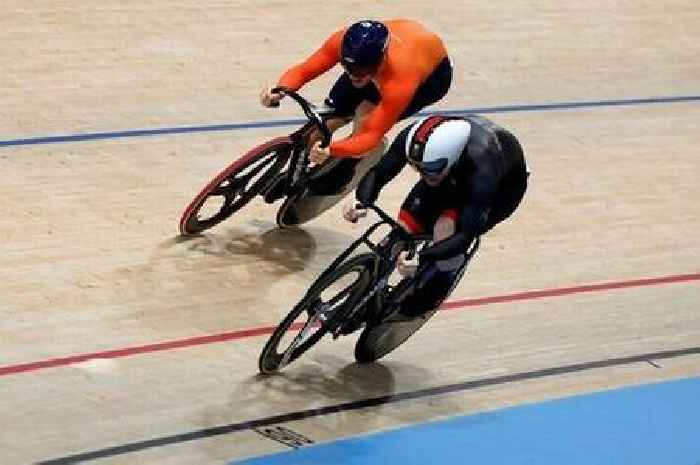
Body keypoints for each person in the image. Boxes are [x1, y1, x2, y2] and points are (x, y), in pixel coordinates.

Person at [344, 114, 529, 317]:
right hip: (452, 174)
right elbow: (378, 173)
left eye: (430, 169)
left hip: (500, 192)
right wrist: (361, 200)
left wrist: (422, 257)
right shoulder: (415, 138)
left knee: (445, 228)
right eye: (417, 167)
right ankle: (363, 295)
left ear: (452, 157)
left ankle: (438, 285)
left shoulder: (482, 168)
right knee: (403, 230)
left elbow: (464, 236)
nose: (423, 174)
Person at [260, 19, 453, 202]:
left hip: (431, 79)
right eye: (348, 67)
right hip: (388, 58)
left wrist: (332, 149)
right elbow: (304, 70)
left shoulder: (402, 78)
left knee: (365, 118)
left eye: (360, 70)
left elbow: (370, 136)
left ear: (381, 58)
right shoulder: (343, 43)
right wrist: (280, 89)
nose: (354, 75)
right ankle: (297, 174)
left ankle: (347, 169)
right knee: (327, 119)